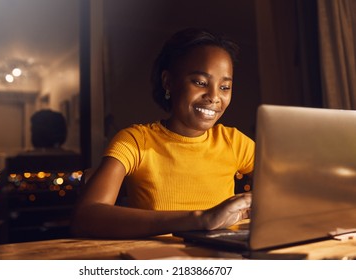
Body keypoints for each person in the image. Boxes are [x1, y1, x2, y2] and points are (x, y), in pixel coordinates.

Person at [71, 27, 255, 239]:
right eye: (200, 82)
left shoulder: (234, 142)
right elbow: (86, 217)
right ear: (168, 82)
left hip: (222, 256)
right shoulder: (135, 141)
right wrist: (201, 219)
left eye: (224, 87)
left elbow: (287, 190)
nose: (214, 97)